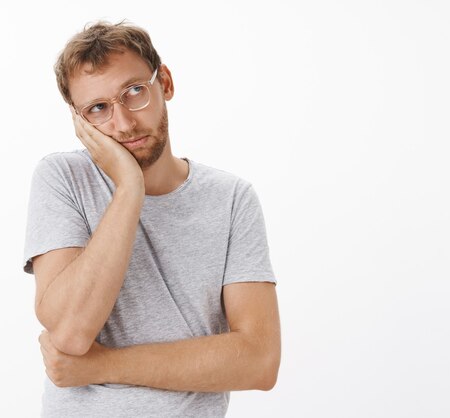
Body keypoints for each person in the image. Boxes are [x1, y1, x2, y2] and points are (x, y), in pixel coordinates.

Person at [22, 20, 281, 418]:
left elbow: (258, 361)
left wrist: (103, 365)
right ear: (79, 122)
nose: (123, 123)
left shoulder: (231, 199)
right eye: (98, 109)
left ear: (166, 84)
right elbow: (71, 333)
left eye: (134, 92)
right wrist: (129, 188)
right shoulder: (63, 180)